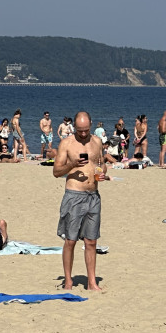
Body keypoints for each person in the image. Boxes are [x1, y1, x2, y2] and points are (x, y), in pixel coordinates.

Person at [53, 111, 103, 291]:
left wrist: (101, 172)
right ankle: (68, 280)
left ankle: (91, 282)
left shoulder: (97, 141)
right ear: (75, 127)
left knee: (91, 241)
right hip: (74, 195)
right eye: (80, 130)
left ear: (91, 125)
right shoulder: (67, 144)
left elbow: (101, 163)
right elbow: (56, 172)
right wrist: (72, 164)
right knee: (71, 241)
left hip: (93, 195)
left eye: (86, 130)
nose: (83, 134)